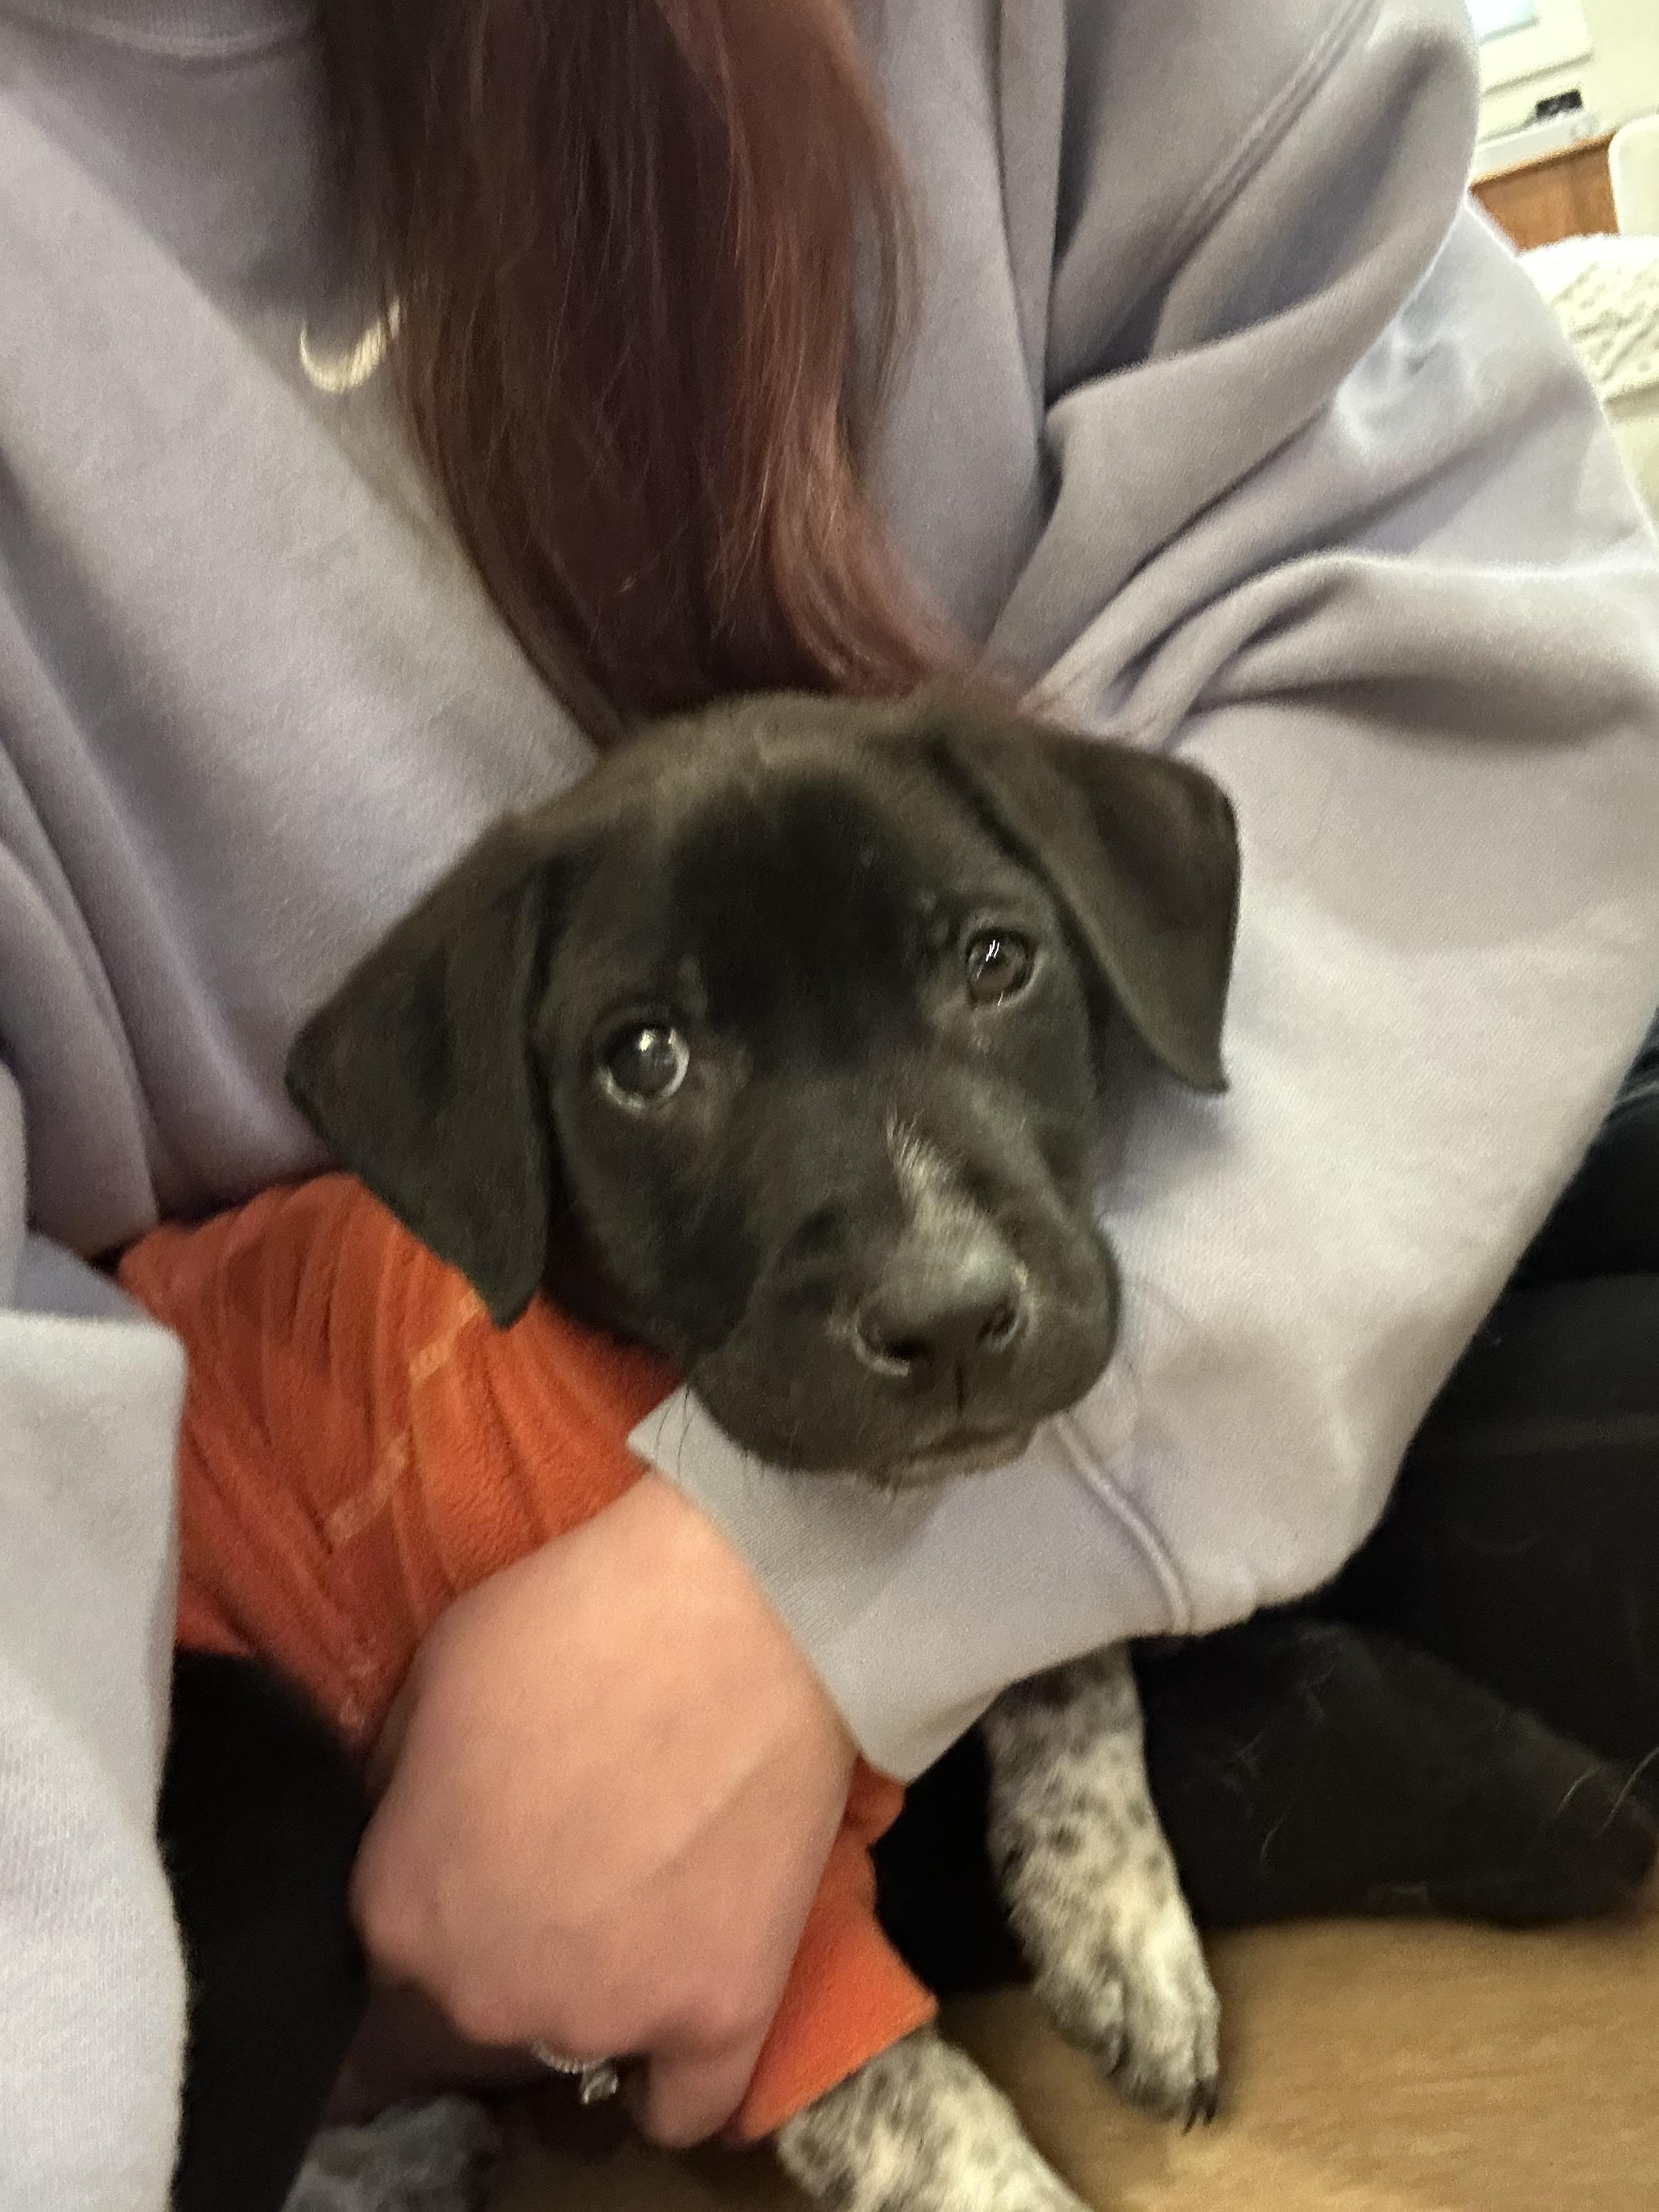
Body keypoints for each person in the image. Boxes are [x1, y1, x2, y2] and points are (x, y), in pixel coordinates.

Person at [1, 0, 1656, 2203]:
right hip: (233, 1733)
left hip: (1240, 1285)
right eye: (653, 1054)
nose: (932, 1248)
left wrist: (821, 1605)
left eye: (986, 962)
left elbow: (1473, 631)